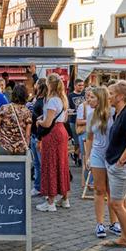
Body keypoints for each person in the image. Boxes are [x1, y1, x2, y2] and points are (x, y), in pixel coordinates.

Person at [101, 80, 126, 251]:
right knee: (121, 202)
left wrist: (120, 162)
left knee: (116, 203)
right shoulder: (118, 114)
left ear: (120, 96)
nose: (107, 96)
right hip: (116, 164)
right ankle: (125, 237)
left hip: (123, 167)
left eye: (110, 94)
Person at [84, 87, 120, 238]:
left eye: (92, 97)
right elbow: (89, 137)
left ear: (100, 98)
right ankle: (99, 223)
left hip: (112, 155)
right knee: (99, 189)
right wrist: (87, 156)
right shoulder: (91, 114)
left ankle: (114, 222)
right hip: (97, 154)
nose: (89, 100)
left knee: (113, 191)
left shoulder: (114, 113)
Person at [36, 74, 71, 212]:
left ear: (49, 85)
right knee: (61, 164)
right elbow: (65, 118)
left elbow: (47, 123)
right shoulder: (63, 99)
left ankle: (50, 202)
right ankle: (64, 198)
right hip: (62, 131)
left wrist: (39, 121)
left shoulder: (51, 101)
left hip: (52, 134)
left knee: (50, 164)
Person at [0, 85, 32, 155]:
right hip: (20, 147)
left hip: (3, 146)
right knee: (19, 166)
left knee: (3, 166)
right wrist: (26, 146)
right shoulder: (27, 112)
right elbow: (27, 134)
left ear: (13, 95)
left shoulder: (4, 108)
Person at [29, 78, 48, 196]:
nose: (34, 86)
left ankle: (44, 188)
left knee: (41, 164)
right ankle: (38, 186)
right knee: (36, 163)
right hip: (34, 134)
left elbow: (41, 119)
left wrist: (40, 139)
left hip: (38, 136)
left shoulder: (43, 102)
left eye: (36, 84)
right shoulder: (37, 100)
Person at [67, 78, 86, 153]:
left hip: (83, 120)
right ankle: (77, 156)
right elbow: (68, 107)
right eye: (79, 85)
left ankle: (82, 156)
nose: (81, 87)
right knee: (76, 140)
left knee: (84, 139)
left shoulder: (85, 94)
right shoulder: (70, 95)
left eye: (82, 85)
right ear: (75, 86)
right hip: (73, 120)